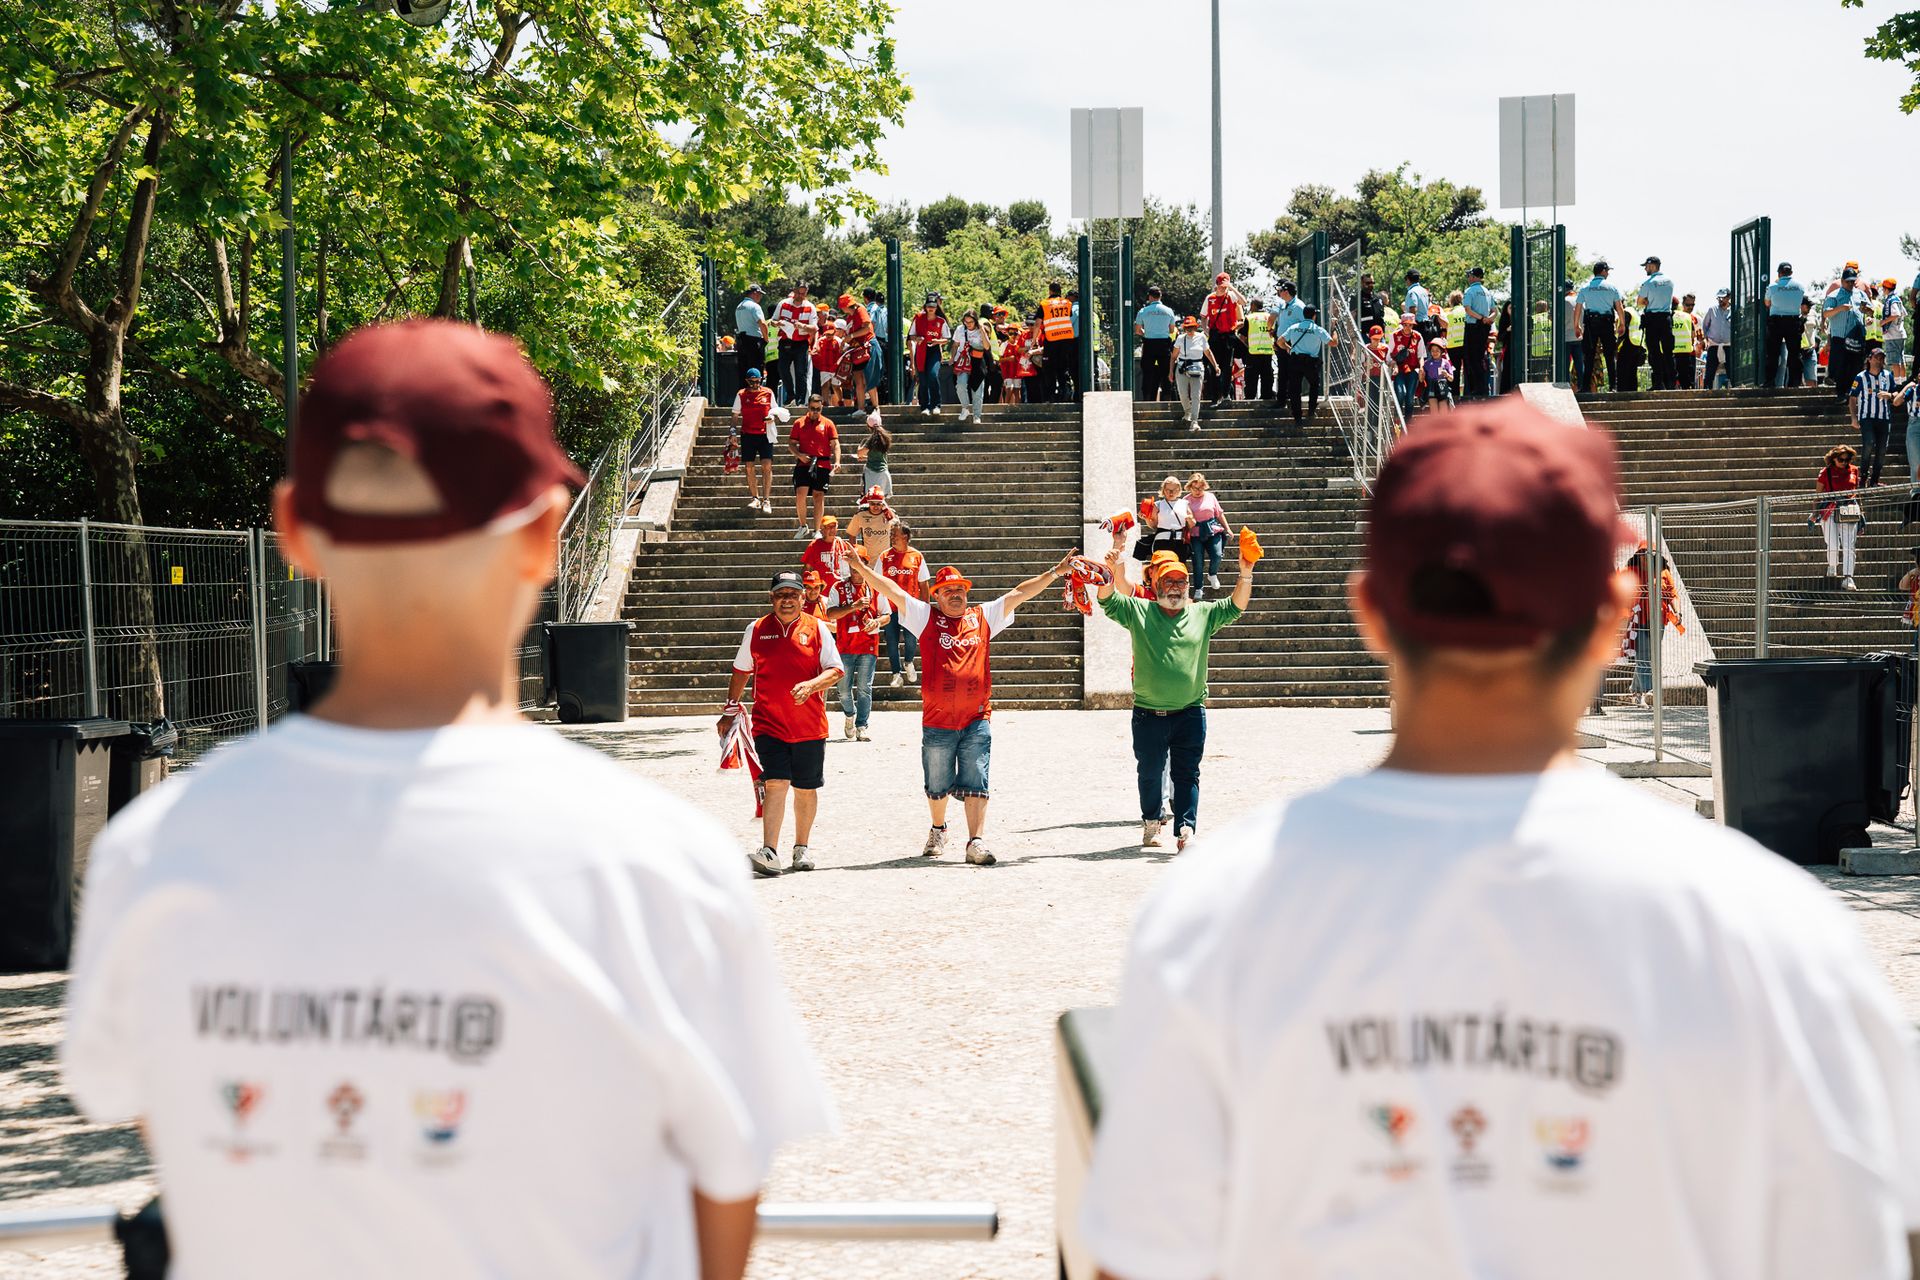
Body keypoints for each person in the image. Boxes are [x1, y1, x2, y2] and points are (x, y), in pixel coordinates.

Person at [61, 319, 834, 1280]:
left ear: (296, 531)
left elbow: (171, 1130)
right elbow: (725, 1185)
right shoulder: (661, 865)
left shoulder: (154, 849)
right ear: (547, 534)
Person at [1079, 398, 1920, 1280]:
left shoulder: (1212, 918)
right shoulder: (1776, 934)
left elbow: (1139, 1255)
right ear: (1611, 614)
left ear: (1372, 613)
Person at [847, 552, 1076, 867]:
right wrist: (860, 567)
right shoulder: (924, 616)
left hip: (976, 718)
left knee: (977, 778)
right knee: (937, 785)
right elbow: (893, 591)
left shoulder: (982, 617)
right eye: (949, 591)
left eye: (961, 590)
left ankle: (976, 842)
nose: (956, 595)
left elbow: (1019, 593)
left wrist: (1055, 571)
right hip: (938, 721)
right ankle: (939, 828)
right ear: (937, 595)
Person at [1095, 540, 1253, 852]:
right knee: (1151, 774)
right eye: (1169, 581)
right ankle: (1152, 821)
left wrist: (1245, 574)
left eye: (1181, 581)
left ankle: (1185, 829)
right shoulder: (1140, 610)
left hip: (1191, 711)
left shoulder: (1203, 614)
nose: (1176, 587)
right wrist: (1108, 574)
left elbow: (1236, 606)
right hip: (1147, 713)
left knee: (1187, 774)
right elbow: (1108, 602)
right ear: (1155, 584)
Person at [729, 570, 844, 874]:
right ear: (772, 599)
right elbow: (741, 670)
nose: (787, 600)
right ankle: (769, 851)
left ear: (803, 597)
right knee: (775, 782)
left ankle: (801, 848)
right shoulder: (755, 629)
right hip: (769, 723)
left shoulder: (817, 628)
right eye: (781, 595)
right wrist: (730, 708)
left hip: (809, 726)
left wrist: (811, 685)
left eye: (793, 594)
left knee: (805, 788)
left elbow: (835, 670)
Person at [824, 549, 889, 742]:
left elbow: (887, 615)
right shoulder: (838, 587)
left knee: (864, 687)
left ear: (865, 565)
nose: (855, 568)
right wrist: (853, 606)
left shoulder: (876, 587)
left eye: (859, 563)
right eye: (851, 564)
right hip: (845, 645)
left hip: (868, 644)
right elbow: (831, 614)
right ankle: (849, 714)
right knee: (843, 689)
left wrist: (877, 622)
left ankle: (862, 725)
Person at [879, 520, 928, 687]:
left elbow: (923, 583)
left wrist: (925, 607)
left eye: (895, 535)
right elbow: (877, 582)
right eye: (891, 534)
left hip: (911, 607)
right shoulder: (884, 556)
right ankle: (896, 674)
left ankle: (908, 662)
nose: (892, 537)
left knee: (910, 638)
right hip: (889, 606)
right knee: (891, 640)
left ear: (905, 536)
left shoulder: (917, 556)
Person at [731, 367, 785, 514]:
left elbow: (775, 410)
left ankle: (766, 499)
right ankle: (755, 497)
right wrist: (732, 431)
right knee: (749, 466)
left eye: (757, 381)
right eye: (752, 382)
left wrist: (771, 418)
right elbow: (735, 415)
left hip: (764, 434)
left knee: (767, 466)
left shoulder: (768, 392)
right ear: (747, 381)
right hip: (748, 434)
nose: (755, 384)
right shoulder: (741, 394)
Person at [787, 395, 839, 539]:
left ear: (822, 408)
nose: (815, 412)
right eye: (812, 409)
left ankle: (817, 530)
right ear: (808, 407)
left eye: (818, 409)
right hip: (804, 462)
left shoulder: (828, 423)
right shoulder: (799, 423)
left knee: (819, 496)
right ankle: (803, 526)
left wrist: (838, 460)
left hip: (822, 463)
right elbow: (791, 444)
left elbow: (835, 444)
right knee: (800, 494)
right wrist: (799, 455)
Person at [1275, 304, 1335, 424]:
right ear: (1314, 316)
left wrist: (1288, 348)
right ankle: (1311, 410)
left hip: (1295, 361)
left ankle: (1297, 417)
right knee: (1314, 385)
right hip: (1310, 363)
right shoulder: (1318, 329)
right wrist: (1334, 329)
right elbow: (1333, 343)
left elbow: (1279, 341)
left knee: (1295, 389)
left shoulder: (1294, 327)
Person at [1817, 443, 1864, 590]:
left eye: (1847, 460)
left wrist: (1861, 513)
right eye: (1841, 460)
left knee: (1849, 544)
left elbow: (1857, 492)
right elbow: (1818, 495)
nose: (1844, 463)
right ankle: (1832, 565)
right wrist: (1814, 513)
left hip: (1849, 508)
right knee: (1832, 542)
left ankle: (1848, 577)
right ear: (1833, 459)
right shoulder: (1825, 472)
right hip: (1830, 508)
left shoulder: (1854, 471)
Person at [1573, 261, 1624, 394]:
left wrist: (1576, 325)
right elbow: (1619, 308)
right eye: (1607, 271)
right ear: (1603, 271)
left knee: (1589, 356)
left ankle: (1585, 387)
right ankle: (1613, 387)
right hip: (1607, 324)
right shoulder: (1612, 288)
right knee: (1609, 356)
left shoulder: (1585, 288)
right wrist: (1622, 324)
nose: (1607, 273)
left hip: (1590, 324)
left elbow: (1578, 308)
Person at [1853, 348, 1897, 488]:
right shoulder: (1860, 377)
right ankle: (1863, 478)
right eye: (1876, 358)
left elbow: (1895, 391)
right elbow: (1853, 397)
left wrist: (1889, 395)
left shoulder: (1888, 375)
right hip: (1866, 417)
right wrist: (1854, 417)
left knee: (1882, 450)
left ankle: (1875, 480)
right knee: (1869, 444)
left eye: (1881, 358)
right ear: (1870, 359)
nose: (1879, 361)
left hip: (1884, 418)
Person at [1202, 272, 1246, 407]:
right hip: (1215, 335)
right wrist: (1206, 330)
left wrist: (1232, 288)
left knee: (1228, 367)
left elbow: (1244, 302)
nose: (1223, 288)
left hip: (1229, 335)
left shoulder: (1231, 296)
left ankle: (1226, 395)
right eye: (1221, 285)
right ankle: (1215, 397)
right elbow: (1203, 316)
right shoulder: (1210, 298)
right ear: (1217, 285)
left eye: (1225, 285)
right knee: (1214, 367)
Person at [1762, 262, 1807, 388]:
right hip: (1793, 321)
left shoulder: (1772, 286)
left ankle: (1770, 382)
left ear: (1779, 273)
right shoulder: (1800, 286)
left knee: (1772, 353)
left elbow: (1767, 303)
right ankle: (1794, 383)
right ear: (1791, 273)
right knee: (1794, 354)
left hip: (1776, 321)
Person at [772, 282, 817, 405]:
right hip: (785, 340)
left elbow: (814, 328)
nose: (800, 295)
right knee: (782, 369)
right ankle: (790, 395)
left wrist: (803, 326)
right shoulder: (783, 303)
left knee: (800, 372)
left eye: (803, 293)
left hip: (801, 343)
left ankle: (800, 399)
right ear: (794, 290)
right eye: (798, 292)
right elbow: (773, 320)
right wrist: (777, 323)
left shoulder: (810, 307)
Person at [1826, 267, 1867, 402]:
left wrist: (1868, 313)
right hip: (1840, 336)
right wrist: (1840, 308)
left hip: (1856, 336)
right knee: (1841, 365)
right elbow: (1826, 313)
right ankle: (1841, 393)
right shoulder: (1833, 295)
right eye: (1848, 281)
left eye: (1853, 281)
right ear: (1842, 281)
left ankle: (1853, 392)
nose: (1851, 284)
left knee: (1856, 365)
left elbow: (1870, 310)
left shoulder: (1860, 294)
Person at [1635, 255, 1676, 390]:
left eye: (1646, 266)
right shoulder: (1670, 281)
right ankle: (1672, 384)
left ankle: (1658, 383)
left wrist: (1648, 300)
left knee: (1654, 353)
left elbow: (1640, 302)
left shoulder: (1648, 283)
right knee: (1668, 352)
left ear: (1652, 266)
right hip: (1666, 319)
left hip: (1652, 319)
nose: (1645, 269)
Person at [1184, 474, 1228, 598]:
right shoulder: (1185, 500)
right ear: (1189, 487)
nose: (1198, 491)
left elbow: (1219, 514)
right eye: (1194, 488)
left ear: (1205, 487)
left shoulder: (1211, 497)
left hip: (1212, 530)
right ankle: (1198, 588)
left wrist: (1228, 529)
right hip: (1195, 533)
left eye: (1200, 488)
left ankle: (1212, 574)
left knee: (1217, 554)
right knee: (1197, 561)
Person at [1171, 316, 1217, 428]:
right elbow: (1173, 357)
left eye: (1191, 327)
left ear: (1196, 327)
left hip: (1197, 368)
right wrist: (1170, 372)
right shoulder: (1180, 338)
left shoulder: (1202, 337)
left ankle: (1194, 421)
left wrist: (1216, 366)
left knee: (1196, 395)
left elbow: (1208, 353)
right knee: (1182, 394)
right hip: (1182, 367)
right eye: (1187, 328)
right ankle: (1187, 411)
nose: (1189, 330)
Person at [1268, 281, 1308, 409]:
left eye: (1281, 290)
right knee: (1283, 372)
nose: (1279, 293)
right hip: (1281, 343)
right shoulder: (1284, 305)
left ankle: (1292, 399)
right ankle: (1281, 400)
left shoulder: (1299, 306)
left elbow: (1306, 324)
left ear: (1286, 291)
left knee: (1293, 373)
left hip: (1293, 344)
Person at [1134, 285, 1177, 401]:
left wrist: (1147, 332)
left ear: (1149, 297)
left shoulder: (1143, 311)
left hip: (1149, 344)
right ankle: (1167, 399)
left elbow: (1137, 330)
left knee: (1148, 373)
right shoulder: (1169, 311)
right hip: (1164, 344)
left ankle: (1147, 399)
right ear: (1160, 296)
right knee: (1166, 373)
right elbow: (1172, 330)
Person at [910, 293, 949, 418]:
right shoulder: (918, 318)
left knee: (933, 375)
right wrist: (918, 338)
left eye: (933, 306)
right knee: (923, 379)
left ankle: (936, 404)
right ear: (925, 307)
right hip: (921, 351)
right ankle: (925, 406)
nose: (930, 308)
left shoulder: (941, 321)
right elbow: (911, 336)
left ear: (936, 307)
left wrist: (937, 341)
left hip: (934, 351)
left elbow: (946, 338)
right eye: (928, 306)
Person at [951, 308, 992, 424]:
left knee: (977, 390)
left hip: (977, 361)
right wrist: (952, 358)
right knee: (961, 384)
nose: (968, 324)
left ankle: (977, 415)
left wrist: (982, 331)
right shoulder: (960, 329)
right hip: (963, 361)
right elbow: (955, 345)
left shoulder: (981, 329)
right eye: (966, 322)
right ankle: (965, 408)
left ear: (976, 321)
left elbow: (987, 347)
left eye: (971, 322)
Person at [1040, 280, 1077, 404]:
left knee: (1049, 369)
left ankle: (1050, 396)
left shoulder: (1045, 304)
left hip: (1051, 340)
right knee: (1063, 369)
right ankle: (1064, 392)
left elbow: (1037, 323)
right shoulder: (1067, 303)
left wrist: (1035, 340)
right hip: (1066, 341)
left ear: (1050, 291)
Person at [1462, 267, 1495, 400]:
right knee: (1481, 357)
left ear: (1474, 277)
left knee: (1471, 358)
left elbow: (1468, 310)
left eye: (1469, 275)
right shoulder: (1487, 292)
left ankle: (1476, 389)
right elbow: (1495, 311)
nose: (1468, 278)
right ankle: (1483, 387)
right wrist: (1488, 319)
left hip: (1473, 326)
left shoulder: (1470, 291)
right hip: (1484, 327)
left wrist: (1481, 318)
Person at [1148, 474, 1195, 562]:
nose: (1171, 492)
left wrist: (1190, 519)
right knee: (1162, 568)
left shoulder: (1184, 503)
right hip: (1162, 541)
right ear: (1164, 490)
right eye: (1168, 490)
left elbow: (1192, 524)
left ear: (1179, 490)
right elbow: (1154, 525)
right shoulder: (1157, 505)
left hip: (1180, 542)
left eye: (1174, 490)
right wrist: (1146, 519)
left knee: (1179, 569)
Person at [1241, 299, 1277, 402]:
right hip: (1267, 352)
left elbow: (1242, 338)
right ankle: (1266, 398)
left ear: (1253, 305)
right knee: (1267, 378)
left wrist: (1248, 347)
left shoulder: (1249, 318)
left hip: (1253, 353)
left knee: (1251, 379)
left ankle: (1250, 400)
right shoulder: (1270, 317)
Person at [1389, 311, 1423, 418]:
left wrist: (1422, 368)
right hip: (1399, 370)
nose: (1408, 327)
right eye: (1405, 324)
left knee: (1409, 398)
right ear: (1401, 324)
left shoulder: (1418, 336)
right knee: (1400, 394)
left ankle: (1407, 424)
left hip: (1412, 371)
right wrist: (1393, 365)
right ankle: (1397, 420)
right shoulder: (1394, 336)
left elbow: (1421, 355)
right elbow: (1389, 355)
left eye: (1410, 325)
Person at [1701, 289, 1734, 389]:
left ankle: (1734, 389)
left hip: (1728, 345)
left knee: (1732, 371)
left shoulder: (1734, 310)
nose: (1720, 300)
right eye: (1719, 297)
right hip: (1714, 345)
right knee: (1710, 371)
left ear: (1728, 298)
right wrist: (1707, 339)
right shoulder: (1712, 310)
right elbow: (1705, 325)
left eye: (1723, 297)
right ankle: (1707, 391)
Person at [855, 412, 892, 500]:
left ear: (868, 426)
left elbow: (860, 453)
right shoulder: (885, 438)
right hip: (883, 473)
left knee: (871, 499)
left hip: (872, 473)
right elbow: (878, 456)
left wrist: (859, 446)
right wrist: (866, 458)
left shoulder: (872, 439)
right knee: (881, 500)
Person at [809, 320, 844, 409]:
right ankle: (825, 402)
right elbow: (815, 349)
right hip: (824, 367)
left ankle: (840, 400)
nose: (828, 336)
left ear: (835, 332)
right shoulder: (821, 340)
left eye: (831, 334)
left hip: (835, 368)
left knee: (836, 386)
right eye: (827, 334)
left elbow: (845, 349)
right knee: (825, 385)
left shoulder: (838, 341)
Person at [1560, 278, 1586, 388]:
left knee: (1565, 366)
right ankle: (1583, 386)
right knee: (1580, 365)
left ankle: (1566, 387)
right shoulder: (1581, 301)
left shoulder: (1562, 301)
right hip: (1579, 337)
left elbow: (1554, 318)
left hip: (1566, 338)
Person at [1882, 277, 1908, 379]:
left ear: (1886, 289)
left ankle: (1897, 383)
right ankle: (1903, 381)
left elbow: (1896, 314)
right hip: (1900, 333)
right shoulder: (1898, 299)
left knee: (1894, 361)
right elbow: (1904, 313)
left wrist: (1884, 321)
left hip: (1893, 334)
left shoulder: (1890, 300)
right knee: (1901, 359)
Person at [1672, 293, 1699, 390]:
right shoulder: (1680, 316)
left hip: (1690, 353)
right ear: (1682, 304)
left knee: (1687, 381)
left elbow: (1698, 336)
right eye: (1688, 305)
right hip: (1679, 353)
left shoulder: (1696, 318)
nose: (1691, 307)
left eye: (1693, 305)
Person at [1421, 340, 1455, 410]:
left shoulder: (1446, 363)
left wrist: (1446, 374)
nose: (1435, 353)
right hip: (1431, 388)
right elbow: (1421, 379)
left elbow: (1451, 379)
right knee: (1434, 414)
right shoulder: (1427, 363)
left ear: (1441, 351)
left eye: (1437, 350)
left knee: (1443, 413)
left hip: (1442, 387)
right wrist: (1421, 373)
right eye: (1432, 350)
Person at [1404, 269, 1434, 340]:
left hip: (1417, 325)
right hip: (1426, 325)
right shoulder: (1424, 291)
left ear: (1408, 279)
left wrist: (1410, 326)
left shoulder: (1412, 292)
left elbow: (1413, 309)